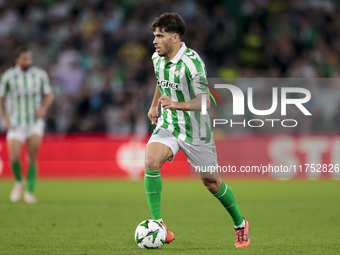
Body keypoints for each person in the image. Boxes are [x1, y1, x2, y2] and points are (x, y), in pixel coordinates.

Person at [144, 12, 250, 248]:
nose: (155, 41)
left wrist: (177, 104)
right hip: (169, 124)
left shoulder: (193, 63)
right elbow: (161, 82)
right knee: (151, 161)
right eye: (154, 36)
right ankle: (158, 225)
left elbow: (206, 101)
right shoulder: (157, 58)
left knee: (212, 183)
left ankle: (240, 224)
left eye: (160, 36)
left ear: (175, 37)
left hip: (196, 130)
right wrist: (154, 107)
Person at [0, 46, 54, 204]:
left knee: (32, 156)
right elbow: (1, 98)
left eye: (30, 58)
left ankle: (29, 192)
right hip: (16, 122)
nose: (28, 61)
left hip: (34, 122)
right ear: (17, 60)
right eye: (24, 58)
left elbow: (49, 95)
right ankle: (19, 181)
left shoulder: (39, 75)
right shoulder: (8, 76)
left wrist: (44, 108)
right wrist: (5, 117)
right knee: (14, 157)